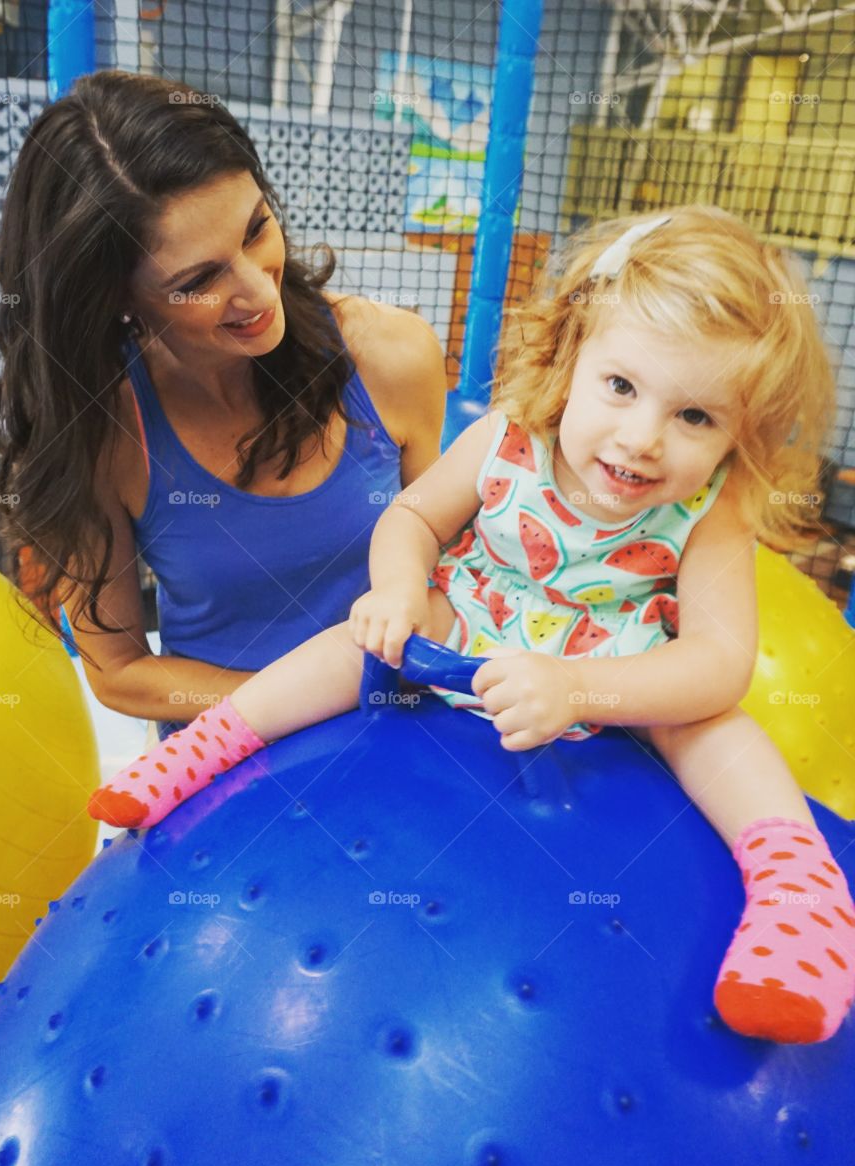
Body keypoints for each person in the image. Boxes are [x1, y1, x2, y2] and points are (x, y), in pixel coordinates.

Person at [88, 204, 855, 1046]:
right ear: (572, 356)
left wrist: (578, 686)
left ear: (738, 435)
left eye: (696, 418)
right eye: (623, 388)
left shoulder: (713, 508)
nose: (642, 439)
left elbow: (718, 660)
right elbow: (413, 519)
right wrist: (395, 592)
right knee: (353, 641)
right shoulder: (507, 437)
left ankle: (799, 890)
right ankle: (207, 744)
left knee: (716, 728)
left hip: (618, 666)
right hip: (472, 623)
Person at [0, 70, 446, 738]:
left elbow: (451, 566)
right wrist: (303, 698)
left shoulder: (392, 355)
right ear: (117, 297)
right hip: (227, 757)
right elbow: (118, 671)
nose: (258, 292)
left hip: (397, 731)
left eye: (256, 229)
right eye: (200, 280)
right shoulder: (103, 428)